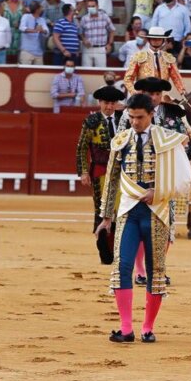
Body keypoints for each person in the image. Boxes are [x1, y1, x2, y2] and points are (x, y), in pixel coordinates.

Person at [95, 92, 191, 343]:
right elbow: (112, 180)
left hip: (157, 212)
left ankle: (148, 328)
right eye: (131, 117)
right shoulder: (121, 140)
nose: (135, 122)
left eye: (140, 117)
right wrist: (105, 218)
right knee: (122, 267)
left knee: (156, 271)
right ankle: (126, 328)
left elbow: (185, 182)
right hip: (128, 212)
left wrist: (157, 191)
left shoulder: (170, 141)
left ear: (151, 114)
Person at [76, 84, 125, 265]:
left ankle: (120, 251)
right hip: (100, 171)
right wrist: (82, 171)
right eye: (106, 103)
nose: (109, 107)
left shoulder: (124, 119)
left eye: (113, 103)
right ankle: (105, 252)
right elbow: (81, 148)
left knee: (122, 210)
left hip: (121, 172)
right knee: (102, 209)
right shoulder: (91, 121)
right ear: (99, 102)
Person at [121, 24, 184, 96]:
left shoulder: (168, 58)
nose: (156, 41)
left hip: (162, 97)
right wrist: (135, 92)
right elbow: (128, 78)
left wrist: (183, 92)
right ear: (149, 40)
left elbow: (176, 78)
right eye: (153, 39)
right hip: (144, 97)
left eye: (159, 39)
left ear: (163, 40)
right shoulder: (139, 56)